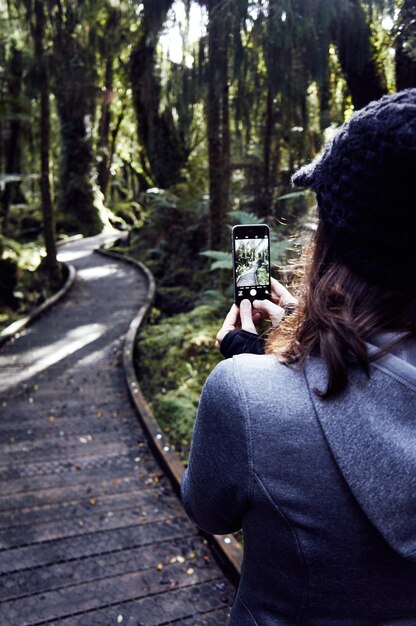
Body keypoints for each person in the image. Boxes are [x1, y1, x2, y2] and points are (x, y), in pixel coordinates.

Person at [181, 88, 416, 625]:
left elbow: (208, 509)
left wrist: (255, 366)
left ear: (333, 241)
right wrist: (301, 343)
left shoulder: (246, 393)